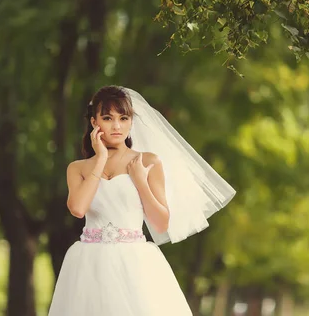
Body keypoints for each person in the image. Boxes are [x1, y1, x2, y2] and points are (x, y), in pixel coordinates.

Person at [48, 85, 236, 316]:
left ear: (130, 122)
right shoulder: (78, 168)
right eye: (107, 118)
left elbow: (160, 224)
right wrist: (100, 160)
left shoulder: (148, 162)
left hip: (134, 263)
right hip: (88, 264)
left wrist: (141, 182)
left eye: (123, 118)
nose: (117, 126)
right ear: (94, 122)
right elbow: (77, 209)